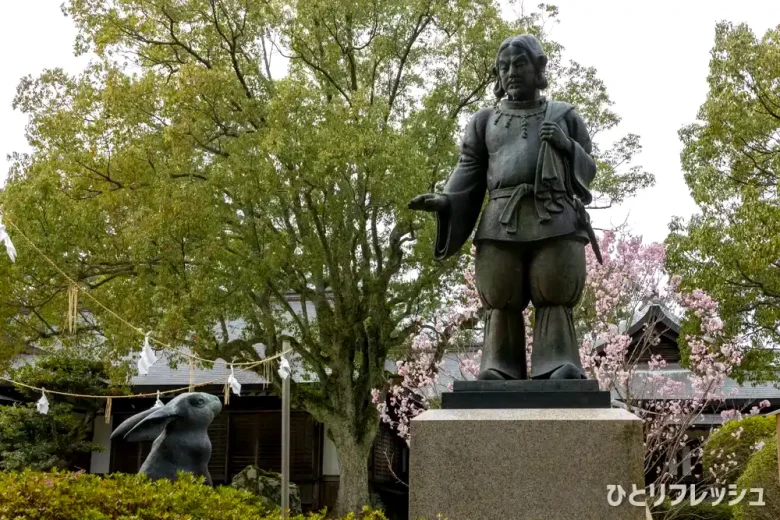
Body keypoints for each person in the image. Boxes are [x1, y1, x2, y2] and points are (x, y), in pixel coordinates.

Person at [409, 34, 601, 380]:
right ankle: (500, 365)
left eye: (519, 64)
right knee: (501, 294)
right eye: (503, 67)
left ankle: (558, 362)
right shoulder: (485, 121)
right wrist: (446, 201)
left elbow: (589, 168)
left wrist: (566, 145)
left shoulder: (564, 115)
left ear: (539, 68)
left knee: (553, 287)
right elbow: (468, 169)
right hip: (500, 219)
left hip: (553, 214)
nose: (511, 72)